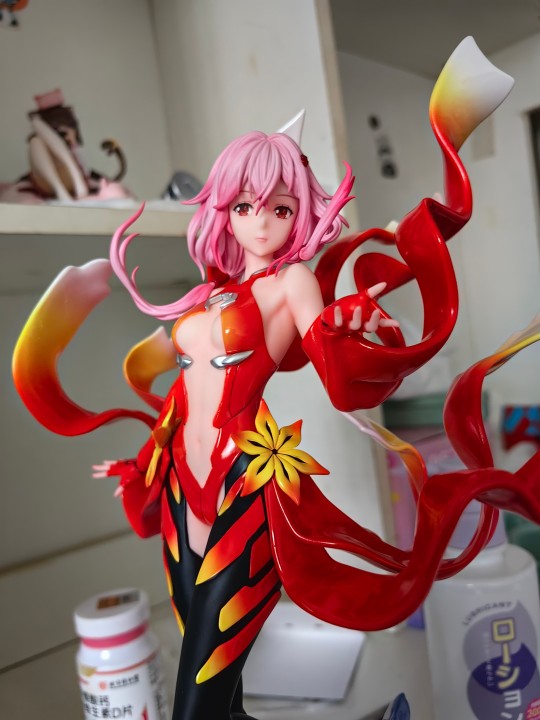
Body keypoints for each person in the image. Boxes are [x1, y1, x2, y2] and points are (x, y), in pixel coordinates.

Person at [14, 38, 539, 720]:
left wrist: (352, 323)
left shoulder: (293, 284)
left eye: (280, 208)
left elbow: (337, 371)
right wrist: (142, 461)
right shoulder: (215, 291)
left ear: (300, 215)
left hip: (247, 483)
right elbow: (183, 390)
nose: (259, 222)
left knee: (197, 698)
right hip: (181, 481)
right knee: (218, 689)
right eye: (244, 206)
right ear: (223, 209)